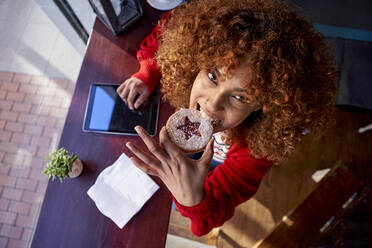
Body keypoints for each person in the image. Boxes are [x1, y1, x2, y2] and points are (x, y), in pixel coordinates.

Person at [118, 0, 338, 236]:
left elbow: (214, 211)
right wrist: (147, 72)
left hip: (214, 166)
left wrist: (192, 199)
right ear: (195, 61)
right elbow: (170, 28)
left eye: (240, 98)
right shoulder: (192, 54)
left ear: (263, 107)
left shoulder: (255, 153)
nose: (212, 104)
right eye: (213, 76)